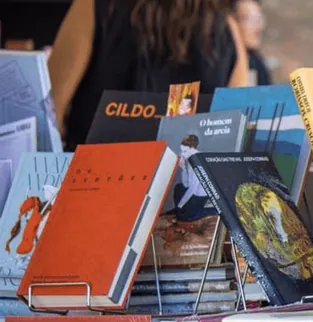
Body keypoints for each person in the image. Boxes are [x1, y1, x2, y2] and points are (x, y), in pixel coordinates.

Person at [48, 0, 250, 150]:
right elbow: (239, 132)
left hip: (93, 184)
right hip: (187, 192)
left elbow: (48, 113)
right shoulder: (227, 29)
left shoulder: (95, 8)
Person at [173, 134, 216, 221]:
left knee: (185, 216)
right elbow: (186, 184)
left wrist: (180, 205)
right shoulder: (190, 159)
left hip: (200, 195)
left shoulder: (196, 161)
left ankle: (211, 211)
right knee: (178, 187)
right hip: (195, 192)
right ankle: (183, 210)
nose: (181, 154)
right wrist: (183, 168)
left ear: (192, 148)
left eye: (184, 151)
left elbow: (192, 188)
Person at [234, 0, 273, 85]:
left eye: (259, 19)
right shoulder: (220, 66)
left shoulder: (258, 63)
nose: (259, 28)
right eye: (250, 20)